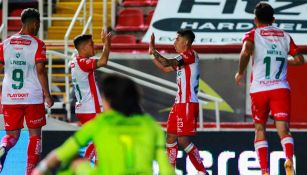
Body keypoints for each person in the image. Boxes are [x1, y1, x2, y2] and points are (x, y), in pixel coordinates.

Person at [32, 74, 175, 175]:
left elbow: (61, 154)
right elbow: (166, 169)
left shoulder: (100, 124)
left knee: (75, 162)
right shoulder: (150, 126)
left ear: (109, 100)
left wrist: (40, 170)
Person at [235, 2, 304, 175]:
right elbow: (300, 59)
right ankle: (288, 159)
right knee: (283, 128)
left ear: (255, 19)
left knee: (260, 129)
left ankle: (265, 171)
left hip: (259, 89)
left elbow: (245, 51)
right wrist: (285, 60)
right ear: (273, 19)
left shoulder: (252, 34)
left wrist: (240, 72)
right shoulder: (285, 36)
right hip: (280, 88)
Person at [0, 8, 54, 174]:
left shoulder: (5, 44)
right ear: (36, 23)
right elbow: (40, 71)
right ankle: (30, 172)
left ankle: (3, 146)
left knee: (13, 136)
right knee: (35, 136)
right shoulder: (38, 44)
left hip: (10, 96)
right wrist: (47, 95)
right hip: (32, 97)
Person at [149, 29, 208, 175]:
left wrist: (154, 50)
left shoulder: (189, 54)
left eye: (177, 39)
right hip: (179, 103)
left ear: (186, 42)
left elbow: (167, 61)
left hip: (187, 103)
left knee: (183, 140)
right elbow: (165, 68)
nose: (174, 42)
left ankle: (202, 171)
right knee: (170, 136)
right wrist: (152, 53)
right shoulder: (184, 58)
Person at [70, 31, 111, 162]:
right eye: (91, 44)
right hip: (91, 108)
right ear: (83, 48)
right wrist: (107, 44)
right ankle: (84, 165)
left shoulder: (74, 61)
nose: (94, 46)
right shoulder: (83, 63)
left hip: (83, 108)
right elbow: (103, 61)